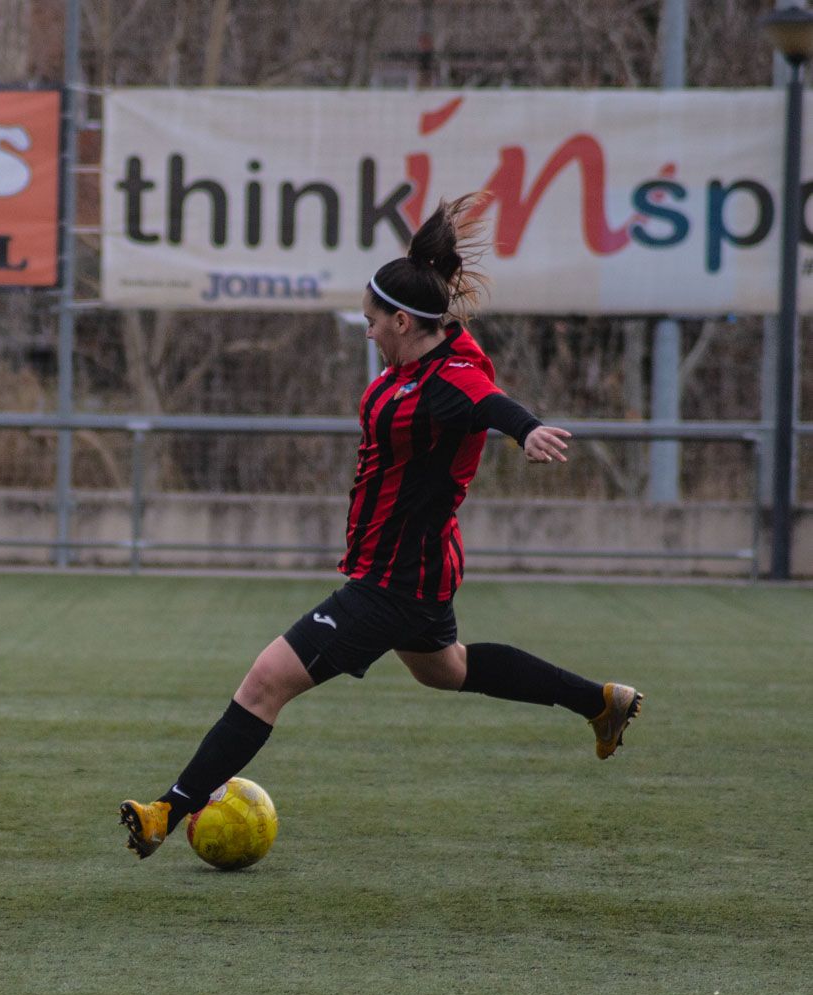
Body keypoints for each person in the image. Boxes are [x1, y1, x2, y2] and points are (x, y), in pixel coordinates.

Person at [118, 194, 644, 860]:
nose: (367, 333)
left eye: (372, 322)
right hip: (417, 568)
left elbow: (489, 402)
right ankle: (599, 701)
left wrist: (527, 428)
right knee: (446, 671)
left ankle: (168, 810)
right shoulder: (429, 356)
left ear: (401, 321)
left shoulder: (446, 380)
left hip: (393, 580)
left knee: (263, 683)